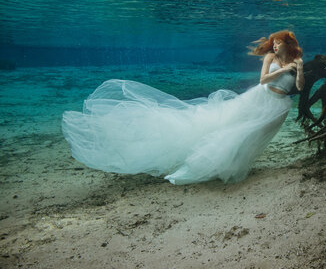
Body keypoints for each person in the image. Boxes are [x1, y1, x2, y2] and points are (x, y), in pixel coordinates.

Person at [62, 30, 304, 185]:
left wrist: (300, 69)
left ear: (288, 44)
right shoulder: (271, 60)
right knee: (229, 127)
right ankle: (196, 166)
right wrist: (284, 70)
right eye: (273, 43)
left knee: (251, 136)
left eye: (278, 43)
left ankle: (226, 165)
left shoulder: (296, 61)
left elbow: (300, 88)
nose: (274, 46)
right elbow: (262, 80)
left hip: (280, 105)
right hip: (259, 97)